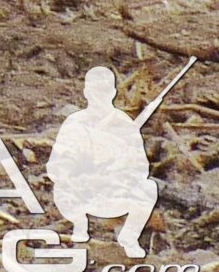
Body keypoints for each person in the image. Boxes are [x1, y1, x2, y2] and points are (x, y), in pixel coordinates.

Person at [48, 64, 160, 252]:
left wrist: (121, 169)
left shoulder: (123, 122)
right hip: (83, 189)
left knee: (148, 188)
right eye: (95, 90)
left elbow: (140, 165)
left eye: (104, 89)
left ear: (112, 92)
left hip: (113, 189)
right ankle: (80, 229)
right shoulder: (75, 122)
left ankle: (129, 237)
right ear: (86, 92)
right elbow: (57, 166)